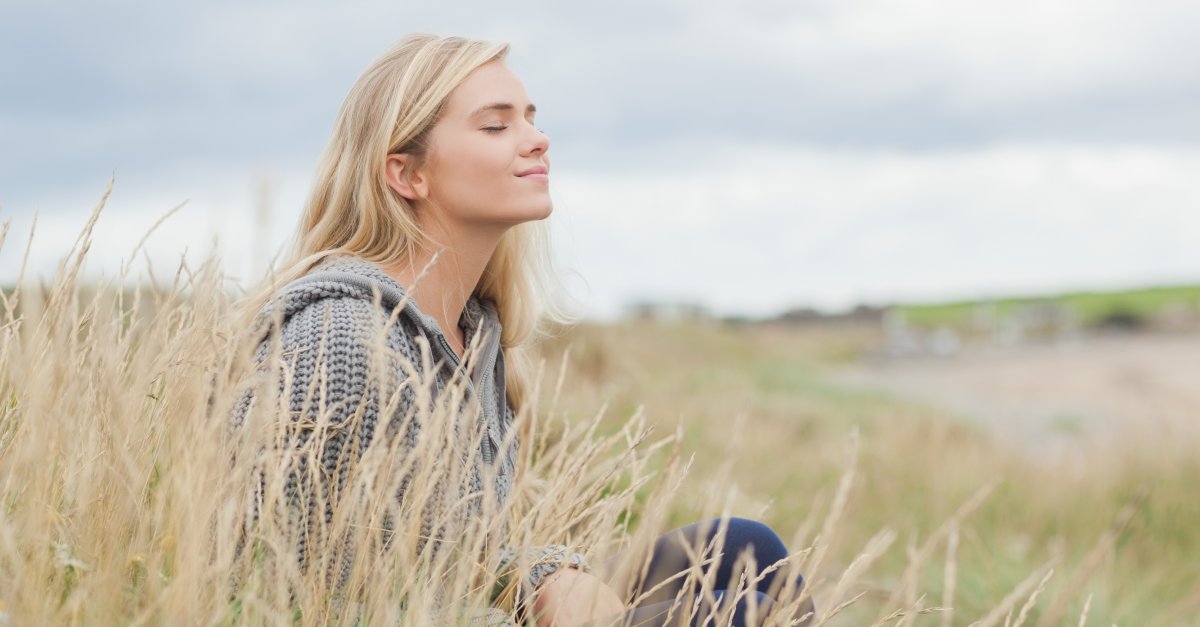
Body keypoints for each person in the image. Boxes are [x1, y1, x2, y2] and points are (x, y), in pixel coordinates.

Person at [226, 34, 814, 626]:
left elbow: (450, 559)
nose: (538, 139)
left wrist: (544, 576)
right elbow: (283, 587)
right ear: (408, 175)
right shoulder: (342, 338)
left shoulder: (471, 336)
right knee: (750, 616)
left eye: (530, 119)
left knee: (748, 550)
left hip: (457, 609)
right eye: (495, 126)